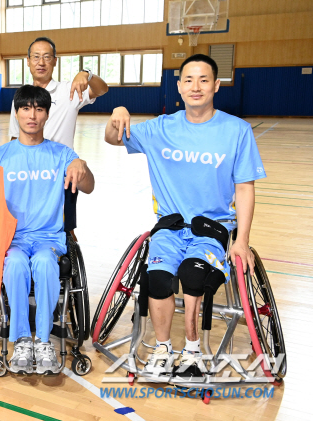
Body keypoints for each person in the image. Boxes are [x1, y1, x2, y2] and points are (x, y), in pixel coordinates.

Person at [104, 54, 266, 380]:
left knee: (193, 277)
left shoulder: (237, 131)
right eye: (188, 80)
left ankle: (192, 351)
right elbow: (112, 137)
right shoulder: (161, 128)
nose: (196, 87)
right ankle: (163, 349)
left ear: (217, 86)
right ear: (179, 86)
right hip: (171, 225)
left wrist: (243, 241)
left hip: (214, 227)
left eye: (204, 80)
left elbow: (245, 189)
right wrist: (117, 114)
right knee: (158, 278)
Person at [0, 85, 94, 374]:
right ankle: (21, 338)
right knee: (16, 263)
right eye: (26, 108)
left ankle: (43, 340)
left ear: (46, 115)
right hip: (13, 240)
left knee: (45, 263)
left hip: (49, 239)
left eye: (39, 109)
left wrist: (82, 166)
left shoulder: (62, 154)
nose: (32, 115)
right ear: (16, 113)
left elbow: (89, 186)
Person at [9, 36, 108, 237]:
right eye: (36, 57)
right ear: (27, 61)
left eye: (46, 57)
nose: (41, 62)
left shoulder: (68, 90)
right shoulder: (21, 97)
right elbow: (14, 138)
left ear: (55, 60)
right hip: (30, 176)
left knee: (66, 231)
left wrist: (87, 75)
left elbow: (102, 89)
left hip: (61, 174)